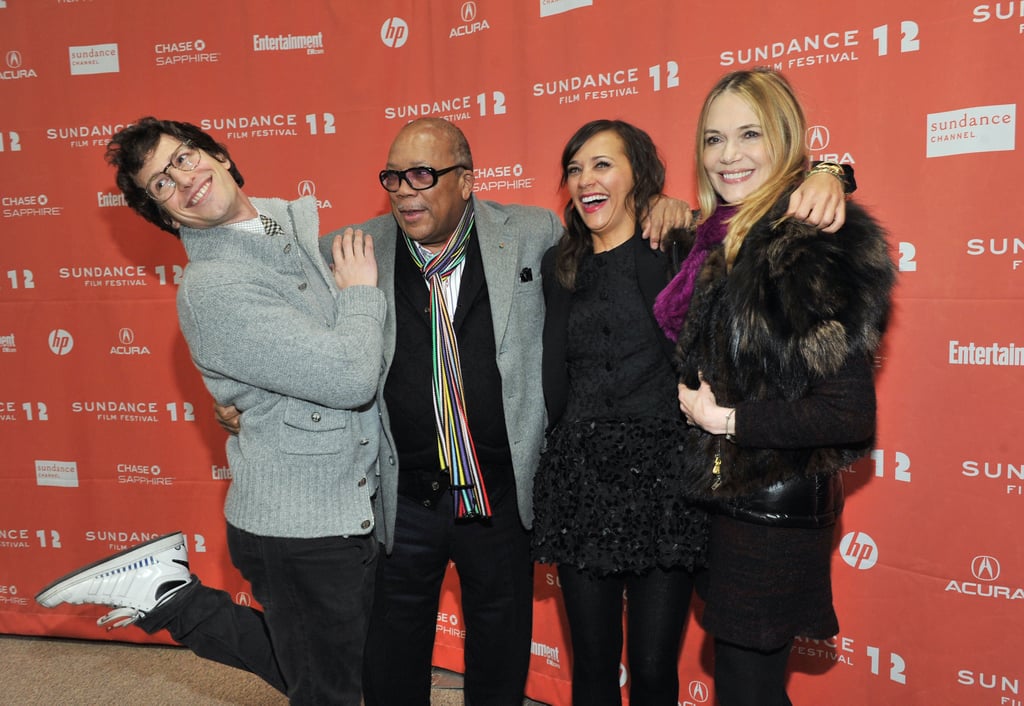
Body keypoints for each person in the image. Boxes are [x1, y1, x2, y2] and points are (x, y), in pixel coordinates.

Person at [35, 117, 386, 706]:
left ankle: (170, 595)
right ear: (167, 216)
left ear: (218, 154)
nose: (182, 178)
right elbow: (349, 376)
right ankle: (176, 600)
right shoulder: (213, 287)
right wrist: (359, 295)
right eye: (161, 185)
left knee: (327, 668)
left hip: (341, 500)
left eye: (183, 157)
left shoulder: (283, 229)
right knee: (332, 691)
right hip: (299, 526)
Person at [532, 120, 851, 706]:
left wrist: (832, 173)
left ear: (641, 177)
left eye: (602, 165)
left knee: (653, 669)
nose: (585, 180)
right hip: (580, 480)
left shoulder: (680, 248)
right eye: (574, 169)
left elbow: (762, 221)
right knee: (593, 670)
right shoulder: (558, 265)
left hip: (667, 480)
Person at [665, 70, 896, 706]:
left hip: (772, 513)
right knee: (747, 683)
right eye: (713, 139)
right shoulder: (729, 238)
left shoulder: (808, 248)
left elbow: (848, 414)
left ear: (786, 140)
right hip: (730, 503)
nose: (727, 155)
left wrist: (728, 422)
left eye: (749, 135)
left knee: (748, 686)